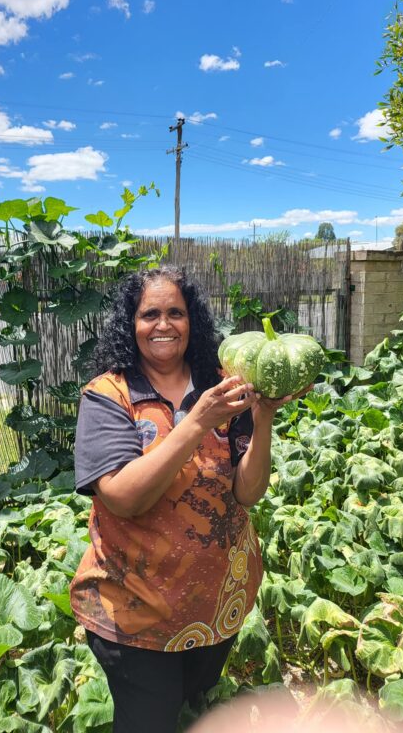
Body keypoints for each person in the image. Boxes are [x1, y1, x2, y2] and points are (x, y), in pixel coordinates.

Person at [70, 266, 311, 733]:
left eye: (175, 312)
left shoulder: (224, 384)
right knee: (148, 720)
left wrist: (262, 418)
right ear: (131, 323)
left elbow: (247, 492)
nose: (164, 324)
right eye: (150, 314)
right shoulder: (109, 395)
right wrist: (197, 422)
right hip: (136, 614)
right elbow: (121, 498)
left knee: (189, 704)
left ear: (192, 321)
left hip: (217, 605)